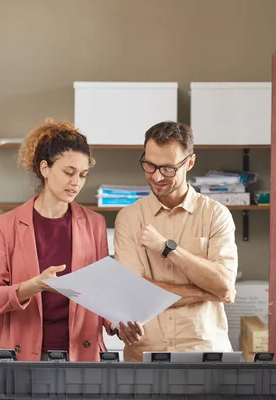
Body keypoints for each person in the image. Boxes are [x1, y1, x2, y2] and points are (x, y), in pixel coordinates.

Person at [0, 119, 137, 361]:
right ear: (45, 168)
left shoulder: (94, 223)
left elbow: (100, 291)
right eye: (68, 172)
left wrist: (118, 322)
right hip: (22, 356)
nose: (76, 182)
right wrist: (33, 286)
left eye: (83, 175)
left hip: (82, 353)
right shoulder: (7, 225)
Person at [113, 121, 238, 362]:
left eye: (168, 168)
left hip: (205, 354)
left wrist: (167, 248)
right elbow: (134, 293)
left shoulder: (215, 215)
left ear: (189, 162)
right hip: (145, 356)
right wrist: (205, 291)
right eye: (149, 165)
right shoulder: (129, 218)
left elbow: (223, 286)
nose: (157, 176)